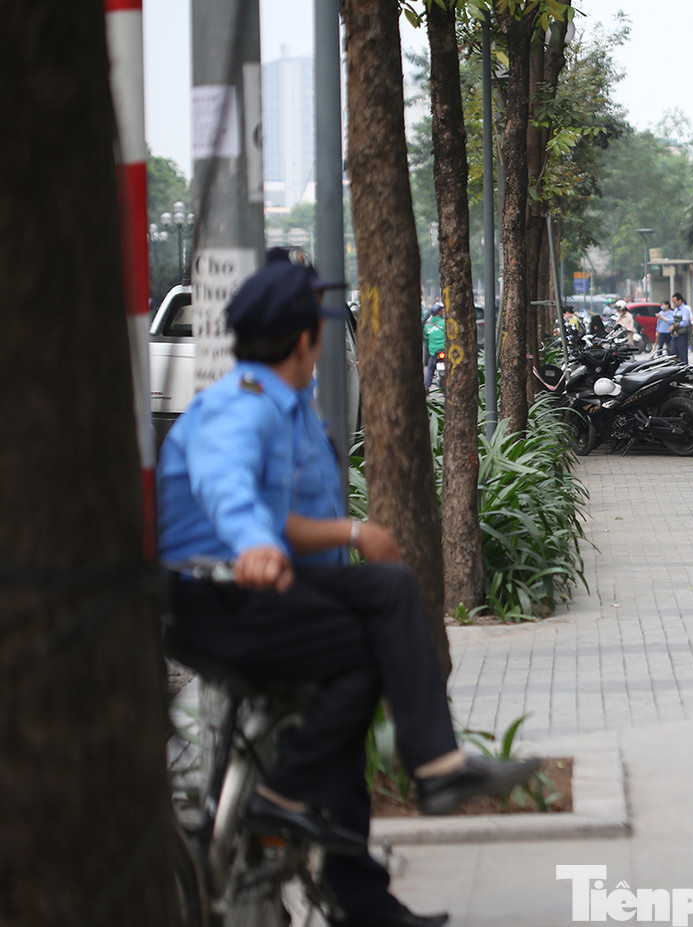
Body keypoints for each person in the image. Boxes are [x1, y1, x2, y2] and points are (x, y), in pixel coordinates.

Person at [158, 260, 539, 927]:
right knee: (369, 646)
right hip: (225, 598)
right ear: (306, 341)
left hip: (272, 587)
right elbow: (228, 488)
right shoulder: (240, 407)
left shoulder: (285, 405)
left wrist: (354, 530)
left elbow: (281, 517)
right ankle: (304, 796)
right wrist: (253, 542)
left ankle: (398, 798)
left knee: (385, 599)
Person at [423, 302, 446, 389]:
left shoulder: (427, 325)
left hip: (434, 352)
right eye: (442, 310)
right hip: (444, 350)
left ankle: (427, 386)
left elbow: (426, 339)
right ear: (439, 312)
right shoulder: (444, 323)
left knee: (430, 368)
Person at [670, 292, 693, 363]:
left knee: (682, 352)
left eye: (675, 302)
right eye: (673, 302)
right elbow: (673, 320)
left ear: (680, 301)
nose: (674, 304)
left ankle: (684, 369)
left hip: (682, 334)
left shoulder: (685, 309)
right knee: (673, 352)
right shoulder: (676, 309)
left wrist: (674, 326)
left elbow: (685, 322)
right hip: (675, 334)